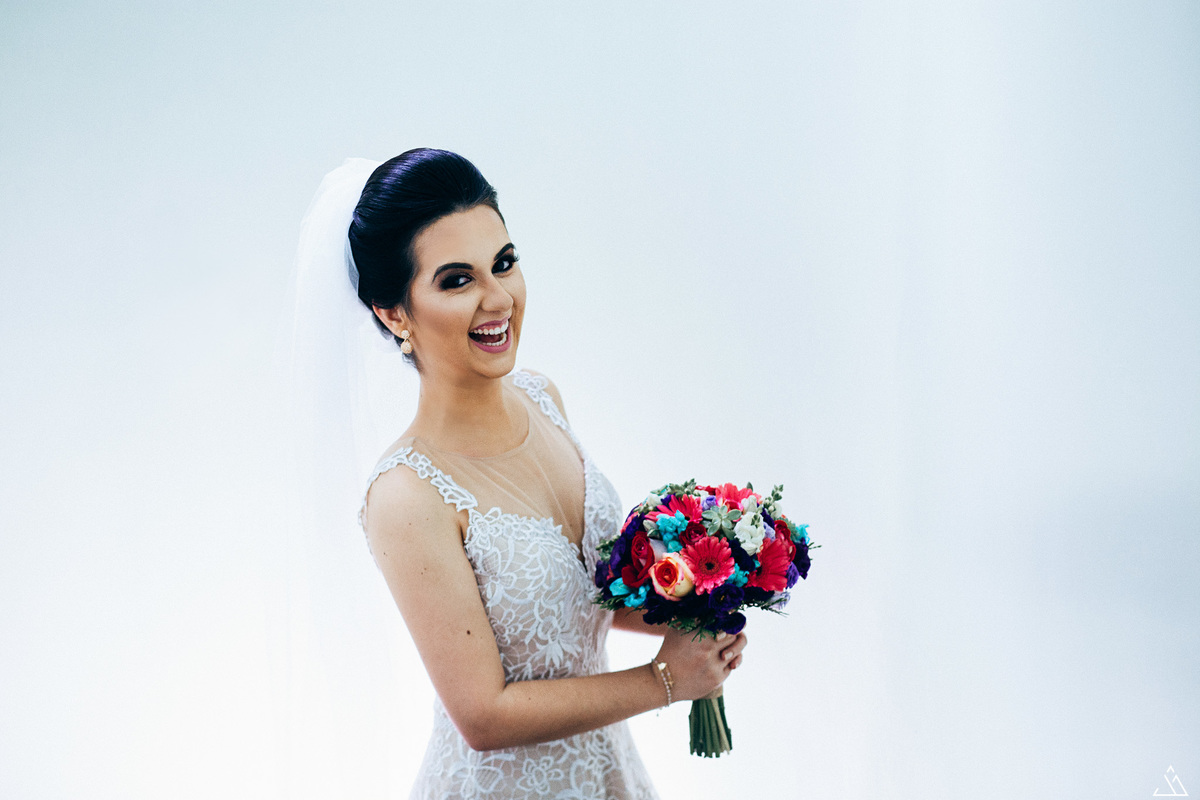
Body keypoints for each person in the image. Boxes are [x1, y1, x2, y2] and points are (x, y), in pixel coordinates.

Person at [309, 148, 747, 800]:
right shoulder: (405, 496)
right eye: (457, 281)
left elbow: (582, 597)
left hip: (607, 773)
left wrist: (694, 612)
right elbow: (482, 714)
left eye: (504, 263)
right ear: (393, 312)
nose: (497, 298)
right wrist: (665, 682)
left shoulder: (544, 399)